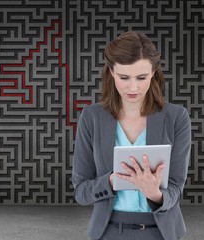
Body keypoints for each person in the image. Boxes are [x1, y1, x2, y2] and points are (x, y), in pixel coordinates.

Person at [72, 31, 191, 240]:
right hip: (107, 231)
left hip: (161, 233)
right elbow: (81, 191)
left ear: (153, 72)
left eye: (141, 77)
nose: (133, 87)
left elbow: (176, 186)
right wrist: (110, 181)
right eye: (124, 77)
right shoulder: (91, 117)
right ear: (111, 72)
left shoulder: (177, 117)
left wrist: (154, 193)